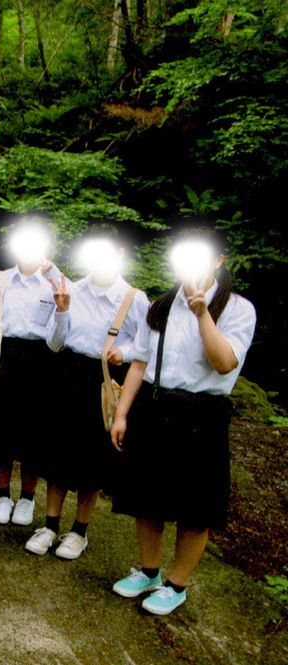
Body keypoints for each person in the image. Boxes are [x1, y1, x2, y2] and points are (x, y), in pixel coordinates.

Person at [109, 227, 255, 616]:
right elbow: (139, 363)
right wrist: (121, 414)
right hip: (155, 406)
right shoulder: (161, 305)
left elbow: (224, 362)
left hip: (202, 415)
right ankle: (149, 572)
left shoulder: (238, 308)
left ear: (219, 261)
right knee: (146, 498)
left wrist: (202, 313)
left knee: (196, 506)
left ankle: (177, 585)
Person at [27, 223, 149, 560]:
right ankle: (50, 525)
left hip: (104, 381)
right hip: (67, 374)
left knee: (92, 460)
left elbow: (146, 347)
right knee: (58, 455)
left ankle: (79, 531)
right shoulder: (73, 290)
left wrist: (123, 352)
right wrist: (63, 310)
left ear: (119, 254)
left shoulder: (134, 299)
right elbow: (54, 343)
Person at [0, 215, 63, 528]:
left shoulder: (56, 282)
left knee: (34, 436)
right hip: (2, 358)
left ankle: (28, 498)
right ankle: (3, 495)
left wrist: (58, 290)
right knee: (0, 433)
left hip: (42, 363)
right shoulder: (0, 281)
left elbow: (62, 333)